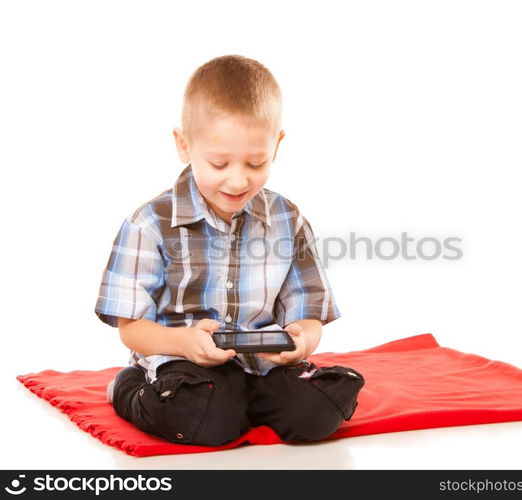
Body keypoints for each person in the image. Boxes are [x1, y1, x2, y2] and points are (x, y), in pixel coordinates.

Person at [94, 55, 364, 446]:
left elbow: (308, 313)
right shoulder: (150, 223)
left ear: (277, 145)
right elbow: (131, 328)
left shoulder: (288, 219)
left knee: (318, 413)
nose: (238, 179)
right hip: (183, 364)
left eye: (256, 162)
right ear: (183, 144)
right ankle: (129, 388)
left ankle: (241, 400)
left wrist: (301, 341)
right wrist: (183, 342)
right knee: (206, 421)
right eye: (219, 163)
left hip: (263, 368)